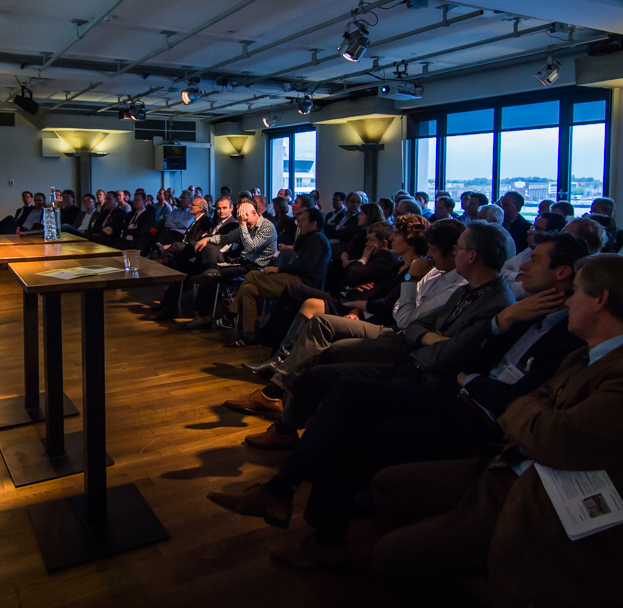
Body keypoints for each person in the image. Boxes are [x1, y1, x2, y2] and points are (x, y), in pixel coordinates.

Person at [206, 234, 590, 563]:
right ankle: (285, 491)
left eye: (535, 259)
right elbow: (419, 328)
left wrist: (468, 364)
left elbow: (463, 365)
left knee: (348, 411)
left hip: (459, 406)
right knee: (337, 386)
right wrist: (439, 344)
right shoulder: (516, 310)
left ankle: (300, 511)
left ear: (562, 274)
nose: (523, 264)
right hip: (435, 380)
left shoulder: (525, 316)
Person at [368, 254, 623, 608]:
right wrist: (530, 420)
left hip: (545, 508)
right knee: (389, 486)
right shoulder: (587, 355)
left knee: (391, 556)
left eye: (575, 292)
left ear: (600, 299)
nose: (567, 302)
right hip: (512, 469)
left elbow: (554, 438)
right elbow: (533, 409)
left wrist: (525, 417)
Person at [225, 223, 512, 444]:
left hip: (402, 343)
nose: (430, 253)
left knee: (326, 345)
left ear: (469, 255)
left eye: (438, 249)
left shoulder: (453, 283)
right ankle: (277, 393)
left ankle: (292, 417)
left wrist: (410, 280)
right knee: (317, 319)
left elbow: (407, 320)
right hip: (390, 326)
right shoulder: (445, 278)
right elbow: (406, 315)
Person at [223, 208, 330, 344]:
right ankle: (249, 334)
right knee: (248, 288)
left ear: (314, 224)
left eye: (303, 221)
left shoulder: (317, 239)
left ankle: (231, 313)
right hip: (295, 278)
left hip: (302, 283)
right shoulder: (311, 237)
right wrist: (302, 233)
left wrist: (278, 269)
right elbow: (297, 248)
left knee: (252, 275)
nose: (299, 223)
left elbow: (304, 267)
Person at [181, 199, 277, 331]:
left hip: (256, 269)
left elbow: (251, 247)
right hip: (243, 263)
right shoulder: (246, 224)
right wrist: (208, 238)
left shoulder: (267, 227)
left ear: (254, 213)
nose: (245, 224)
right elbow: (227, 237)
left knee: (211, 276)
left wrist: (242, 226)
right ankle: (203, 314)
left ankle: (204, 315)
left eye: (246, 220)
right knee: (210, 272)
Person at [501, 211, 568, 299]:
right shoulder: (529, 250)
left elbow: (517, 293)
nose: (529, 231)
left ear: (550, 234)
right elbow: (502, 269)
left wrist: (505, 279)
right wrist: (518, 276)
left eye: (536, 229)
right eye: (532, 227)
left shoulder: (551, 256)